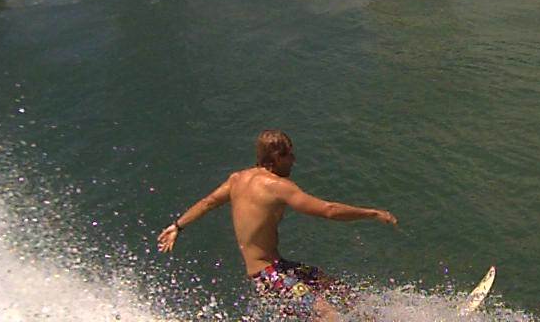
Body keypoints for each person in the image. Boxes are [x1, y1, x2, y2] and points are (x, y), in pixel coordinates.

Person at [157, 130, 397, 320]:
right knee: (327, 315)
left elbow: (208, 202)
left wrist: (177, 226)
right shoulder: (278, 187)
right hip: (268, 275)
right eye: (290, 155)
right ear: (277, 157)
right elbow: (329, 210)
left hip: (278, 267)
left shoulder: (236, 179)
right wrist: (372, 213)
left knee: (339, 290)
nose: (294, 160)